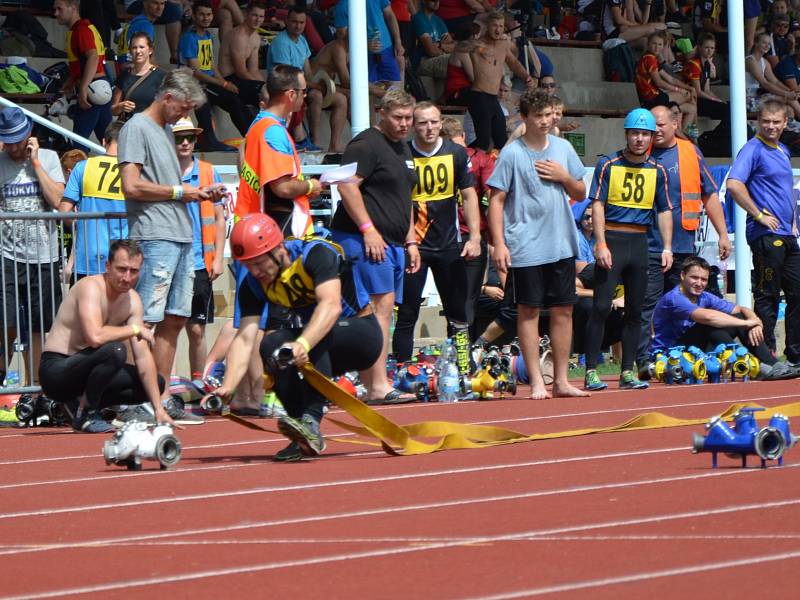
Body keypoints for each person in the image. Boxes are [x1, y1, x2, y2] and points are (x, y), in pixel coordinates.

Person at [211, 213, 383, 461]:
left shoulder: (314, 254)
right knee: (271, 344)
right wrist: (228, 387)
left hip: (362, 334)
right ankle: (300, 433)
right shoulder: (253, 284)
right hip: (318, 341)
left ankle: (311, 421)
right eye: (248, 265)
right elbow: (245, 338)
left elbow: (331, 306)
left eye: (259, 263)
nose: (255, 271)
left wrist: (303, 343)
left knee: (309, 336)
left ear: (278, 248)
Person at [118, 68, 224, 425]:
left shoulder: (163, 130)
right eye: (183, 108)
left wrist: (198, 194)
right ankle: (136, 398)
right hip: (154, 233)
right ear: (167, 98)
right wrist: (182, 192)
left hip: (180, 235)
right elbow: (131, 186)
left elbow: (164, 185)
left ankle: (158, 395)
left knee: (176, 318)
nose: (184, 116)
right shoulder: (136, 128)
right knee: (146, 320)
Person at [487, 90, 588, 400]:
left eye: (549, 115)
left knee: (563, 311)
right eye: (538, 116)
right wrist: (500, 244)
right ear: (525, 117)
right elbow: (496, 199)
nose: (545, 121)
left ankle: (560, 380)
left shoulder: (563, 148)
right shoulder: (513, 154)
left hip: (560, 243)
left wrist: (563, 176)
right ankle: (536, 382)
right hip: (526, 245)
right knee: (528, 311)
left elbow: (582, 191)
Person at [330, 89, 420, 405]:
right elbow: (346, 184)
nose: (404, 124)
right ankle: (378, 385)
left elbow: (404, 198)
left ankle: (376, 381)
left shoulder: (403, 148)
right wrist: (368, 230)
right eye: (398, 117)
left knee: (385, 312)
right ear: (381, 113)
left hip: (393, 242)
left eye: (409, 118)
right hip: (363, 241)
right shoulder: (366, 144)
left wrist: (410, 239)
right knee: (377, 312)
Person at [38, 240, 177, 432]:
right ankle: (85, 412)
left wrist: (159, 409)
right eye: (121, 269)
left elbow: (143, 357)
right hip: (57, 371)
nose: (127, 278)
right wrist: (135, 329)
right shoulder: (90, 287)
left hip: (87, 372)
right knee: (115, 350)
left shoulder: (133, 301)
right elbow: (94, 336)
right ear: (108, 267)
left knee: (156, 383)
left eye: (134, 271)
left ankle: (77, 404)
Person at [636, 105, 731, 375]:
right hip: (648, 245)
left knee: (686, 303)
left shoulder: (689, 152)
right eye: (650, 126)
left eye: (660, 125)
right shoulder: (639, 153)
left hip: (683, 245)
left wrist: (723, 233)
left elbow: (709, 194)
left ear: (675, 123)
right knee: (648, 305)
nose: (655, 131)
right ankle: (645, 360)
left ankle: (683, 354)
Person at [584, 108, 673, 391]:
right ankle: (590, 370)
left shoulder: (657, 170)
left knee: (636, 311)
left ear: (651, 137)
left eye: (644, 134)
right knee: (600, 307)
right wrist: (600, 243)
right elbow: (596, 204)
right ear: (626, 134)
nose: (639, 139)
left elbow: (664, 211)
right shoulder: (608, 164)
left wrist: (668, 247)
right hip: (612, 238)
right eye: (635, 133)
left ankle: (627, 372)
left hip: (640, 244)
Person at [392, 102, 481, 374]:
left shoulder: (455, 153)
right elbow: (400, 201)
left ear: (441, 123)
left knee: (457, 312)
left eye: (433, 122)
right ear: (413, 125)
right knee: (407, 312)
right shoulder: (402, 153)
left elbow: (468, 195)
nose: (428, 128)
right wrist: (408, 242)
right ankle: (403, 370)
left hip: (448, 245)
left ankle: (462, 369)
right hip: (414, 246)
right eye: (422, 123)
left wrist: (475, 236)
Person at [727, 98, 800, 364]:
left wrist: (793, 221)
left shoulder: (782, 149)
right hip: (766, 235)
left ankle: (794, 353)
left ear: (784, 123)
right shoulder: (753, 149)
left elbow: (786, 189)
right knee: (767, 293)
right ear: (758, 122)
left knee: (796, 292)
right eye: (765, 121)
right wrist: (758, 214)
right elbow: (734, 184)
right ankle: (765, 353)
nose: (770, 126)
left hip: (787, 234)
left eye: (776, 122)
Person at [650, 256, 797, 380]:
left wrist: (755, 322)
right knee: (711, 325)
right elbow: (708, 317)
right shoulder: (675, 298)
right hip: (672, 354)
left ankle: (773, 364)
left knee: (736, 318)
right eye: (694, 277)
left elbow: (740, 309)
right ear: (682, 276)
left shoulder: (704, 296)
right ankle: (755, 366)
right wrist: (746, 323)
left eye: (704, 279)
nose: (699, 283)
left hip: (696, 348)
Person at [0, 108, 65, 385]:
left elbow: (58, 201)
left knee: (42, 327)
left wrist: (36, 164)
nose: (14, 146)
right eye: (8, 140)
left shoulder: (48, 158)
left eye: (18, 139)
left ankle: (38, 390)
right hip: (7, 255)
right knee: (6, 325)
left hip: (44, 256)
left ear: (29, 135)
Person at [235, 66, 323, 238]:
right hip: (277, 229)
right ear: (291, 94)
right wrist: (311, 185)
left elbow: (241, 161)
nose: (305, 96)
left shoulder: (258, 125)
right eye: (303, 91)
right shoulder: (273, 131)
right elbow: (283, 188)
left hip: (258, 224)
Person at [172, 118, 226, 378]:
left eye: (189, 138)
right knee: (166, 328)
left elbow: (219, 217)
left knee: (196, 329)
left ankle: (197, 381)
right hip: (170, 261)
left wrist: (218, 259)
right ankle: (164, 384)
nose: (184, 142)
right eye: (178, 137)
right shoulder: (163, 171)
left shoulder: (207, 171)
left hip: (199, 262)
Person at [59, 121, 128, 279]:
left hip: (87, 257)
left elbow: (64, 210)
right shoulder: (133, 171)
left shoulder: (83, 167)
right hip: (122, 258)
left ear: (104, 141)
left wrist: (81, 226)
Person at [179, 0, 251, 150]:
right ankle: (210, 141)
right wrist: (223, 84)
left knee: (234, 98)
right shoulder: (189, 38)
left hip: (208, 82)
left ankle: (251, 138)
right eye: (201, 14)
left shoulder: (207, 36)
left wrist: (224, 82)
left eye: (209, 14)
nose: (206, 18)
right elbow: (196, 73)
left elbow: (210, 65)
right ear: (194, 15)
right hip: (192, 84)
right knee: (202, 97)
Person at [266, 5, 337, 152]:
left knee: (340, 99)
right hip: (285, 86)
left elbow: (308, 72)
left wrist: (321, 84)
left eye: (301, 22)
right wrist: (316, 87)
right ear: (286, 21)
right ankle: (305, 139)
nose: (298, 26)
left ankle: (325, 142)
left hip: (301, 85)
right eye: (294, 22)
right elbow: (285, 77)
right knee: (313, 94)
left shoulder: (302, 41)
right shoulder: (281, 42)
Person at [467, 11, 534, 151]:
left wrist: (526, 77)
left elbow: (514, 63)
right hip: (479, 95)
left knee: (501, 141)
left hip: (493, 98)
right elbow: (464, 47)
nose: (497, 29)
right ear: (487, 26)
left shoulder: (503, 45)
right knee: (483, 142)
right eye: (494, 26)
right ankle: (464, 155)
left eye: (501, 26)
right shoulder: (478, 45)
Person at [53, 0, 113, 151]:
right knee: (108, 139)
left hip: (93, 89)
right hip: (100, 87)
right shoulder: (83, 28)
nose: (55, 14)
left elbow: (92, 57)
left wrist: (83, 89)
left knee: (78, 141)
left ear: (73, 8)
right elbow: (84, 61)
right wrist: (71, 81)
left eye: (59, 9)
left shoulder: (81, 29)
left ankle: (78, 172)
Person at [635, 33, 698, 139]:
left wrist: (688, 87)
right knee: (689, 95)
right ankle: (692, 132)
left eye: (660, 44)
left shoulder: (653, 59)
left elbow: (671, 79)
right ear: (648, 44)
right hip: (652, 99)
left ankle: (684, 133)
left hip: (657, 96)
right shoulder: (649, 58)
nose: (656, 47)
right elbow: (659, 82)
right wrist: (680, 90)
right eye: (654, 43)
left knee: (691, 108)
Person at [334, 0, 405, 89]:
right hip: (362, 56)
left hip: (386, 48)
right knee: (367, 95)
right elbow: (342, 34)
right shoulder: (343, 5)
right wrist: (363, 44)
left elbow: (390, 14)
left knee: (396, 91)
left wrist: (398, 41)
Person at [219, 2, 267, 110]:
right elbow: (240, 71)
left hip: (242, 78)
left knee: (271, 92)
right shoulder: (238, 36)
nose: (258, 19)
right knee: (264, 94)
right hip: (229, 78)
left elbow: (254, 70)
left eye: (261, 16)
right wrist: (260, 86)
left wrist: (265, 85)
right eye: (254, 15)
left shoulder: (256, 37)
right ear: (246, 15)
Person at [111, 32, 166, 121]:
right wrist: (121, 106)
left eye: (142, 47)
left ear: (150, 50)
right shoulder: (125, 75)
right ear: (130, 51)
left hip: (151, 128)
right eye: (134, 47)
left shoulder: (161, 75)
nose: (138, 51)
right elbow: (113, 110)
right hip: (129, 128)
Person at [124, 0, 182, 64]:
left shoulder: (136, 21)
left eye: (162, 4)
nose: (159, 8)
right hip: (133, 69)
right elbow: (149, 61)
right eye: (155, 3)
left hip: (127, 67)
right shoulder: (146, 26)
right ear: (145, 4)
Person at [412, 0, 454, 78]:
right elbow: (431, 51)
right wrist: (444, 49)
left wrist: (440, 45)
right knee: (459, 58)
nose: (437, 2)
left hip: (438, 59)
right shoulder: (419, 18)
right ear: (424, 1)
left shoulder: (438, 20)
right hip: (423, 61)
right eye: (433, 0)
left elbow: (453, 46)